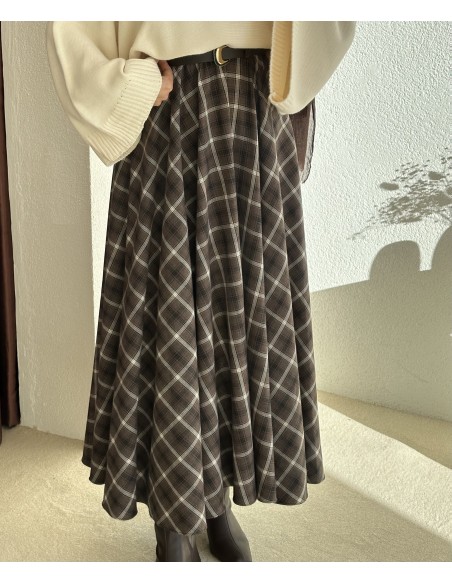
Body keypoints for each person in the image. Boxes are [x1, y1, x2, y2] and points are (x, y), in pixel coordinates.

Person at [46, 21, 356, 562]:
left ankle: (217, 500)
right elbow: (70, 25)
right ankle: (174, 515)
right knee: (167, 312)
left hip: (253, 104)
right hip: (170, 107)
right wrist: (132, 86)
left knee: (239, 313)